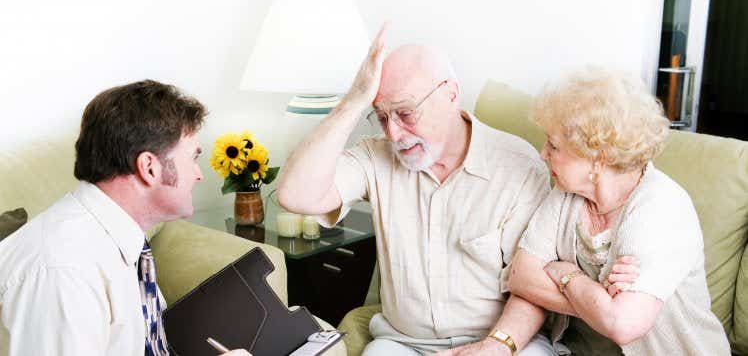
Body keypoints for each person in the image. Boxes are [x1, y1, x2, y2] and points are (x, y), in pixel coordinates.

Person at [278, 25, 558, 355]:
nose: (394, 133)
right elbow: (295, 195)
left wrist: (497, 345)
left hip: (503, 340)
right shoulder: (375, 155)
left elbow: (534, 286)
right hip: (403, 344)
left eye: (406, 113)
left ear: (451, 94)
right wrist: (354, 100)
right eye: (381, 116)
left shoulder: (518, 166)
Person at [0, 80, 250, 356]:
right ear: (149, 168)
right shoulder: (63, 273)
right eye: (192, 158)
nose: (199, 174)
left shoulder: (120, 236)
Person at [507, 68, 731, 355]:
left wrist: (567, 275)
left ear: (597, 158)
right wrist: (599, 301)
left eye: (553, 145)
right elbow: (521, 276)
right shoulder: (567, 193)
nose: (542, 154)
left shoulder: (660, 207)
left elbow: (623, 324)